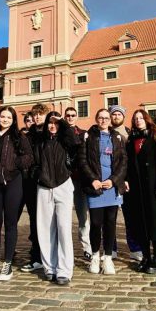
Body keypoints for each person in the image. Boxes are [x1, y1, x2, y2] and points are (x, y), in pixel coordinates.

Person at [0, 106, 33, 281]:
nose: (5, 120)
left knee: (10, 224)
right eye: (3, 116)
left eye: (9, 117)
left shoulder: (19, 137)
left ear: (13, 119)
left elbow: (29, 157)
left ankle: (7, 263)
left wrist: (14, 164)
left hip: (13, 184)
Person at [32, 111, 81, 285]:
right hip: (44, 187)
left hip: (63, 184)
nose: (53, 126)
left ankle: (64, 270)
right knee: (45, 229)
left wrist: (65, 124)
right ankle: (49, 267)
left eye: (56, 123)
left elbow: (76, 143)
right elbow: (33, 162)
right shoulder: (40, 141)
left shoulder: (65, 140)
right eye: (50, 123)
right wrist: (38, 175)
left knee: (63, 227)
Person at [79, 108, 127, 275]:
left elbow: (123, 162)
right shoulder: (89, 137)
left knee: (110, 224)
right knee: (96, 223)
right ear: (96, 119)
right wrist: (93, 180)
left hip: (112, 187)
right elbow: (83, 160)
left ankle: (107, 258)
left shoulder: (117, 137)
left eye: (107, 118)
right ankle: (94, 256)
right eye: (101, 118)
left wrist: (113, 180)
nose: (104, 120)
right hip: (96, 187)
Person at [125, 110, 156, 274]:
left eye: (141, 118)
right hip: (137, 188)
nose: (138, 121)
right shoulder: (131, 140)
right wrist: (127, 179)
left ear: (147, 120)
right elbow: (129, 164)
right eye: (135, 118)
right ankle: (146, 256)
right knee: (140, 222)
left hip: (153, 186)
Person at [109, 105, 142, 262]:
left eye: (118, 114)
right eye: (113, 114)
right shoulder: (106, 132)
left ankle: (135, 248)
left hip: (128, 181)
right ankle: (111, 248)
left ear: (123, 116)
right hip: (111, 180)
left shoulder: (131, 133)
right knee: (109, 217)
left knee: (131, 217)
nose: (116, 116)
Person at [19, 103, 48, 273]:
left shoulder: (51, 133)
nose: (35, 118)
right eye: (32, 116)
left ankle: (48, 256)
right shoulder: (27, 136)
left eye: (39, 115)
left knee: (46, 220)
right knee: (35, 220)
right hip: (30, 182)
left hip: (46, 182)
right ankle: (36, 256)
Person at [65, 107, 91, 260]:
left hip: (79, 179)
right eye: (67, 115)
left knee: (83, 215)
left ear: (76, 117)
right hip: (64, 179)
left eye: (73, 115)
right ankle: (65, 248)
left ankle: (87, 246)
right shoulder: (59, 134)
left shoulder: (83, 134)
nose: (70, 117)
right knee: (64, 216)